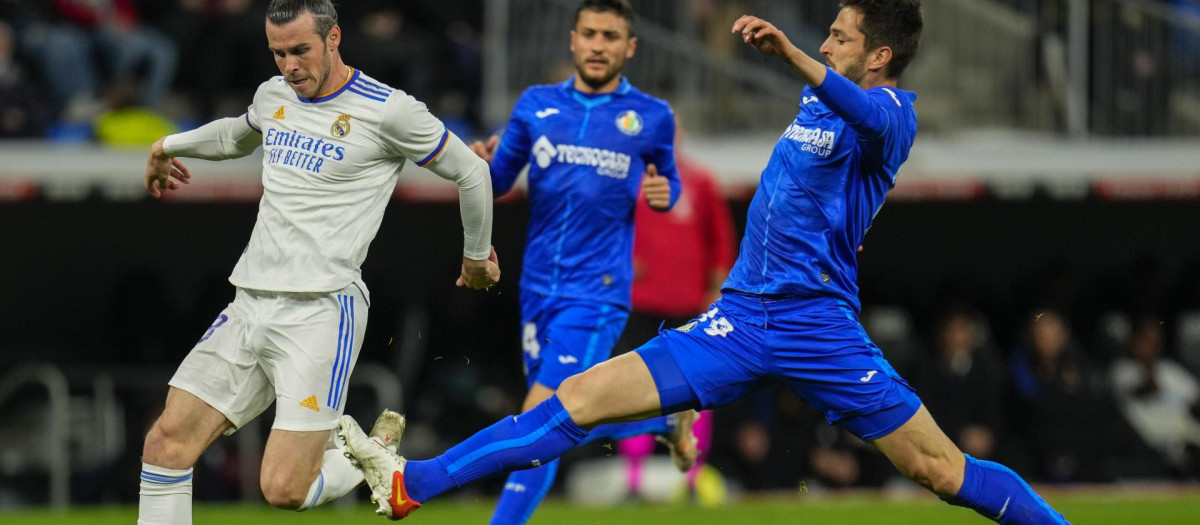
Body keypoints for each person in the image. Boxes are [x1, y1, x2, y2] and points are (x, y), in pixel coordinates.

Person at [342, 2, 1072, 523]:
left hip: (818, 324)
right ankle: (415, 483)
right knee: (577, 400)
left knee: (939, 471)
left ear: (876, 54)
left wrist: (793, 53)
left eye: (840, 35)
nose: (827, 40)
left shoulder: (891, 114)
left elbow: (870, 115)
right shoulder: (817, 108)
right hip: (739, 317)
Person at [137, 1, 500, 523]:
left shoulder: (389, 110)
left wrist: (475, 257)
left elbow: (472, 173)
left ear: (333, 39)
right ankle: (372, 454)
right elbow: (235, 136)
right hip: (249, 303)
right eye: (278, 53)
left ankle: (370, 457)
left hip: (321, 313)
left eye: (300, 50)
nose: (289, 66)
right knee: (166, 445)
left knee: (283, 489)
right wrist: (169, 144)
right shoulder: (273, 94)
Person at [431, 2, 690, 523]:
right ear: (573, 40)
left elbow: (670, 180)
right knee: (559, 415)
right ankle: (661, 422)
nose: (599, 44)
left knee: (538, 415)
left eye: (611, 36)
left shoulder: (651, 116)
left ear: (629, 47)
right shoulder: (536, 105)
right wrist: (483, 165)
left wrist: (664, 192)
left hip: (597, 291)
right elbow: (499, 181)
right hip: (538, 287)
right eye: (590, 34)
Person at [613, 116, 736, 499]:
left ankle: (692, 479)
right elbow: (603, 238)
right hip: (638, 303)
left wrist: (716, 288)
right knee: (631, 390)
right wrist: (619, 265)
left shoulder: (699, 182)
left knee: (698, 393)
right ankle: (633, 481)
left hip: (689, 306)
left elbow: (721, 242)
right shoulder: (626, 183)